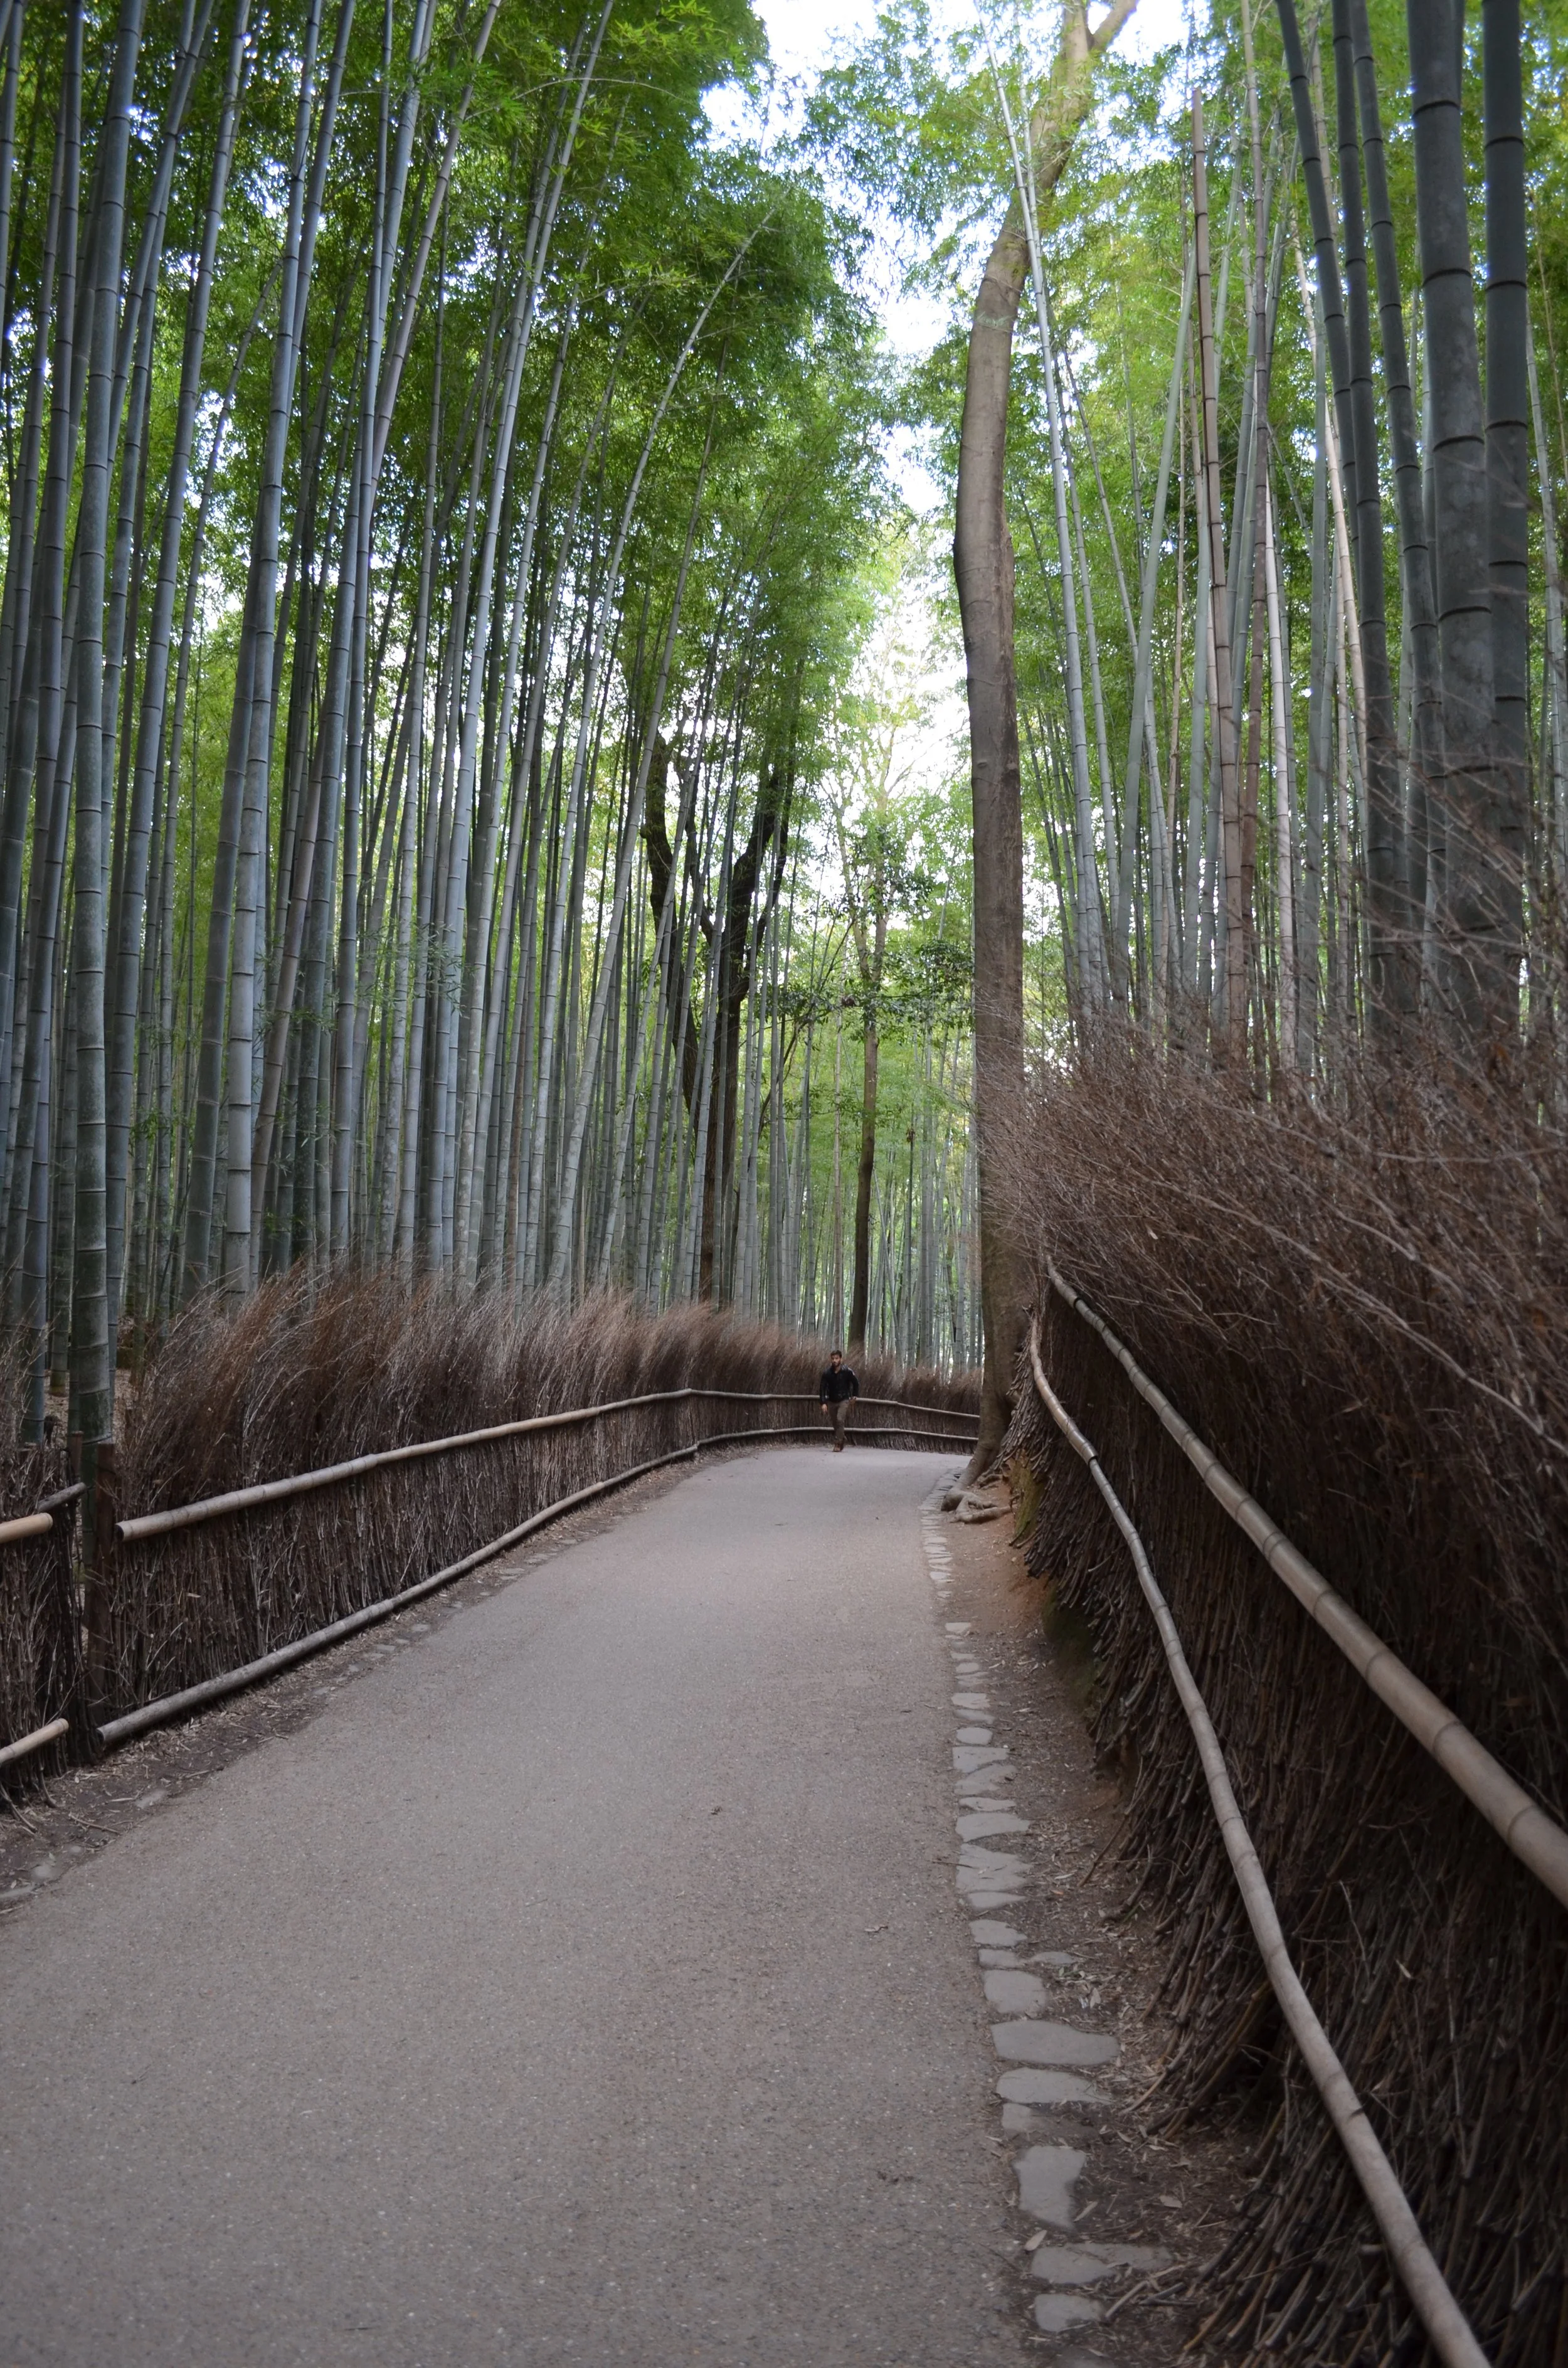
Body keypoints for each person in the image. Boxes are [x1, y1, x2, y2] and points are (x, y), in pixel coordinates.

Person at [818, 1349, 859, 1452]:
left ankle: (837, 1443)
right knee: (835, 1423)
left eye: (837, 1358)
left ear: (841, 1359)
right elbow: (822, 1388)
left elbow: (856, 1383)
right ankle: (842, 1438)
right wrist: (823, 1402)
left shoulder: (847, 1372)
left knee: (840, 1420)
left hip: (844, 1399)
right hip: (832, 1400)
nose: (834, 1361)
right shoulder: (827, 1373)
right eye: (833, 1359)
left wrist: (854, 1396)